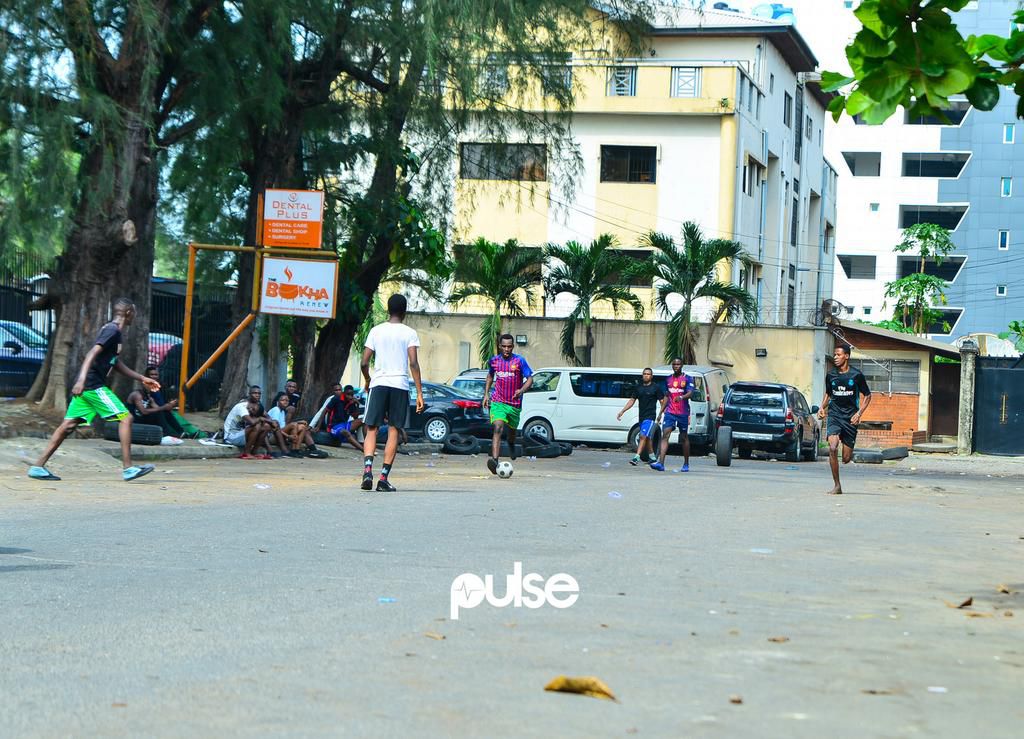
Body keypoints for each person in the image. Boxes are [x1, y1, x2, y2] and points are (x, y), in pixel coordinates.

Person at [28, 298, 156, 482]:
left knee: (67, 426)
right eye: (134, 313)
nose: (134, 317)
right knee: (126, 418)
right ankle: (128, 469)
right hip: (92, 385)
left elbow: (115, 362)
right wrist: (80, 380)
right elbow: (92, 353)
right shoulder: (111, 330)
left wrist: (142, 378)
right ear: (128, 312)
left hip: (88, 386)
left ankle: (37, 467)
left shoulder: (116, 333)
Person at [360, 294, 424, 492]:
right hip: (399, 385)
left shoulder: (376, 331)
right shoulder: (409, 333)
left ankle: (367, 471)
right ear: (404, 311)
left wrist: (368, 379)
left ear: (388, 310)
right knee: (394, 431)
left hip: (379, 384)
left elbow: (364, 362)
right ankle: (383, 479)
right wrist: (420, 392)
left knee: (372, 428)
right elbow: (413, 362)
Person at [818, 344, 872, 495]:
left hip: (850, 419)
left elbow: (868, 395)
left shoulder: (856, 375)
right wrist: (822, 407)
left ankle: (846, 443)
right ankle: (837, 485)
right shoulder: (830, 375)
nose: (835, 357)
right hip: (834, 415)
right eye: (834, 355)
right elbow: (828, 393)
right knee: (833, 447)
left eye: (838, 355)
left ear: (846, 356)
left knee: (846, 458)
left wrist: (859, 413)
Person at [482, 334, 533, 475]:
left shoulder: (519, 361)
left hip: (514, 404)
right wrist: (486, 394)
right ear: (499, 346)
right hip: (498, 401)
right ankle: (494, 461)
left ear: (513, 346)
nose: (506, 349)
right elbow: (490, 376)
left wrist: (521, 390)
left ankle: (511, 443)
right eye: (504, 346)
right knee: (498, 427)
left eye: (509, 346)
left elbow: (530, 379)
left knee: (511, 432)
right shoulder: (494, 361)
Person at [651, 357, 694, 472]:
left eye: (678, 364)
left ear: (682, 365)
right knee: (665, 435)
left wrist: (681, 397)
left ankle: (686, 464)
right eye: (674, 364)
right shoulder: (668, 379)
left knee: (684, 437)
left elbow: (690, 393)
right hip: (670, 412)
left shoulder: (688, 378)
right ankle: (661, 463)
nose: (676, 366)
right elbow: (666, 396)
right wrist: (660, 412)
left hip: (683, 412)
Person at [617, 367, 664, 465]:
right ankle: (652, 457)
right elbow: (632, 400)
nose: (646, 376)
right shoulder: (638, 387)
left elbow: (662, 402)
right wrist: (622, 411)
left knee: (642, 436)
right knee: (646, 438)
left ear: (651, 376)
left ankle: (636, 457)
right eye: (645, 374)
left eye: (648, 374)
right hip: (641, 417)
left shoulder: (656, 388)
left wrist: (661, 414)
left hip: (650, 417)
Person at [126, 366, 185, 444]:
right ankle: (167, 434)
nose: (152, 386)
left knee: (164, 412)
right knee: (159, 412)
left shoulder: (149, 395)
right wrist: (164, 407)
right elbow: (144, 411)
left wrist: (168, 406)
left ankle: (180, 432)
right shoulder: (137, 395)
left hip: (144, 419)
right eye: (149, 384)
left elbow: (157, 408)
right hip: (135, 420)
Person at [323, 385, 362, 451]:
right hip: (334, 426)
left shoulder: (351, 402)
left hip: (344, 424)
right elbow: (324, 411)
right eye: (348, 394)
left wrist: (357, 405)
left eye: (351, 395)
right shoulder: (336, 399)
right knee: (345, 432)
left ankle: (364, 443)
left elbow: (355, 417)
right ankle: (363, 449)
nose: (349, 396)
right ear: (344, 393)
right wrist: (318, 426)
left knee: (363, 421)